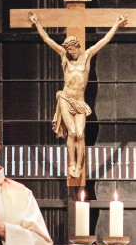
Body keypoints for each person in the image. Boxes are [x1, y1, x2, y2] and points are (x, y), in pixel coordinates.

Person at [29, 11, 128, 179]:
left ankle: (79, 165)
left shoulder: (87, 56)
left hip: (79, 102)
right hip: (66, 100)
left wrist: (117, 24)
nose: (70, 51)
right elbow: (47, 40)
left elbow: (104, 41)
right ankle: (71, 163)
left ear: (78, 47)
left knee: (81, 134)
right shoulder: (65, 59)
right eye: (68, 49)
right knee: (73, 132)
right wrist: (37, 22)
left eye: (72, 48)